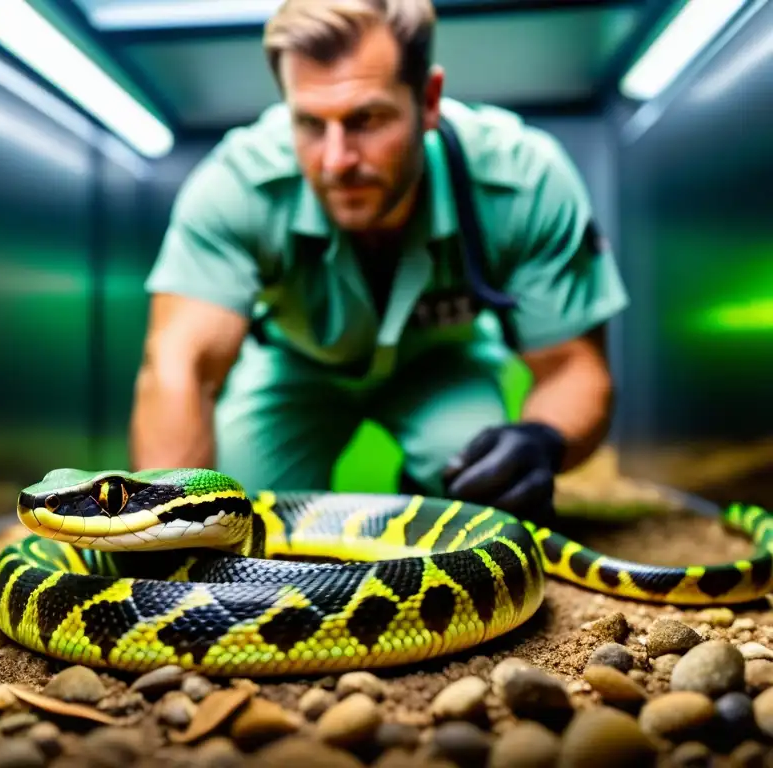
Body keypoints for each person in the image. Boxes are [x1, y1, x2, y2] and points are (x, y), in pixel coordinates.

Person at [129, 0, 628, 522]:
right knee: (240, 507)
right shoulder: (233, 186)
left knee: (486, 496)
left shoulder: (526, 178)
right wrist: (168, 535)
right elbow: (179, 368)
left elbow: (574, 368)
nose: (336, 160)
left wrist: (542, 439)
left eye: (366, 120)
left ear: (428, 101)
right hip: (292, 367)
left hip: (444, 366)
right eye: (309, 123)